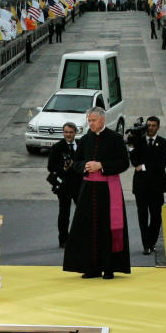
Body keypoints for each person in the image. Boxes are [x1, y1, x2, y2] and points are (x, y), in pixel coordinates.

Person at [63, 106, 130, 279]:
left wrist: (102, 165)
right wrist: (85, 166)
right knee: (88, 228)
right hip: (88, 190)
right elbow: (75, 163)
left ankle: (109, 267)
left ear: (102, 120)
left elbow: (124, 163)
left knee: (107, 228)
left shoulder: (115, 139)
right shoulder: (85, 139)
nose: (90, 123)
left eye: (93, 120)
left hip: (108, 190)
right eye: (89, 120)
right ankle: (91, 267)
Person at [129, 116, 166, 257]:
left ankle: (152, 242)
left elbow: (161, 164)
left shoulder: (164, 143)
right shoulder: (139, 141)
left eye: (153, 125)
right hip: (141, 186)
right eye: (148, 125)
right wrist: (131, 146)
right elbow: (134, 162)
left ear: (158, 127)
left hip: (157, 186)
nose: (150, 128)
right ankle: (146, 245)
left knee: (156, 216)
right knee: (142, 215)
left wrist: (144, 166)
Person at [47, 123, 82, 249]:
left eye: (71, 132)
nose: (68, 134)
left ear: (75, 132)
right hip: (65, 186)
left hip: (79, 185)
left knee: (82, 213)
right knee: (64, 214)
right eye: (66, 132)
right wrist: (64, 168)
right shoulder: (57, 147)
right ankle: (63, 240)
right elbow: (50, 166)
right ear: (63, 132)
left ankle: (82, 238)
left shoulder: (80, 145)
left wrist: (76, 165)